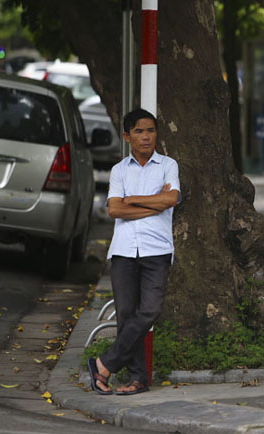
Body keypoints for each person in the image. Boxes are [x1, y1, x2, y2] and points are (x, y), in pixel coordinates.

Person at [87, 108, 180, 395]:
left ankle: (103, 364)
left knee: (150, 310)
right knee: (127, 315)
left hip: (157, 249)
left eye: (150, 130)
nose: (146, 136)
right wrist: (154, 203)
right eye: (139, 131)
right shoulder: (119, 170)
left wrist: (134, 201)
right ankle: (137, 379)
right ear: (127, 136)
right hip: (124, 250)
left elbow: (172, 198)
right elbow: (115, 209)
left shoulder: (167, 165)